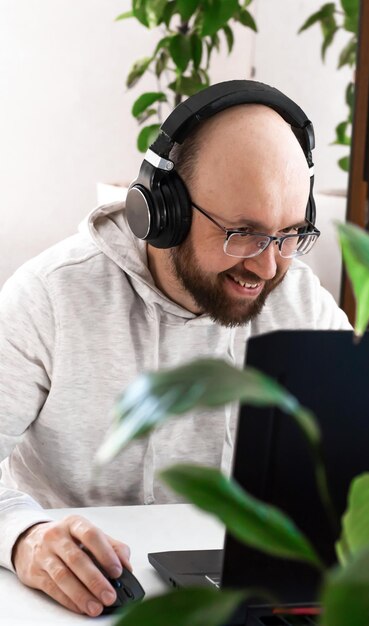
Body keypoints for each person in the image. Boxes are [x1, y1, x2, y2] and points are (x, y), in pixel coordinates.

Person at [0, 80, 350, 616]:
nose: (267, 266)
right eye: (242, 232)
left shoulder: (297, 297)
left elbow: (366, 454)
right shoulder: (49, 296)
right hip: (78, 605)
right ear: (163, 212)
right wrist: (23, 537)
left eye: (288, 235)